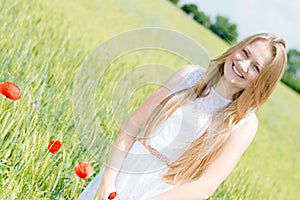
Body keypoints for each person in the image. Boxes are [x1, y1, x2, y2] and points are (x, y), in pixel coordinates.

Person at [78, 33, 287, 200]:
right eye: (245, 53)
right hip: (119, 176)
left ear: (263, 81)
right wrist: (108, 178)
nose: (243, 65)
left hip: (164, 194)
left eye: (256, 67)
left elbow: (205, 187)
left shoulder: (244, 123)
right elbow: (132, 125)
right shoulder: (189, 75)